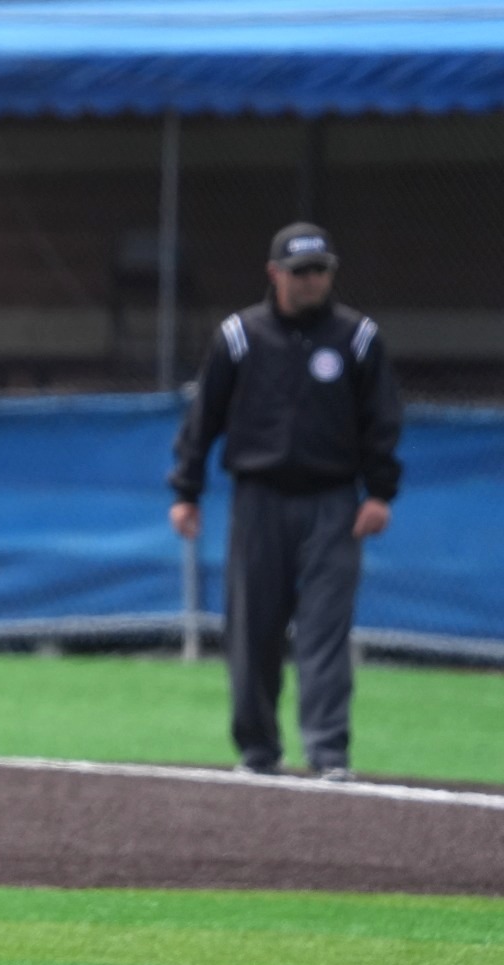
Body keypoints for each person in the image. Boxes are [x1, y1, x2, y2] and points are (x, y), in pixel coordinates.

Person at [168, 221, 403, 782]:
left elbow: (382, 422)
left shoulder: (358, 338)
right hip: (259, 500)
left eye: (320, 271)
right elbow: (205, 419)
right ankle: (257, 750)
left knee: (325, 630)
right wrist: (186, 490)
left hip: (333, 502)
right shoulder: (239, 336)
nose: (311, 281)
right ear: (275, 275)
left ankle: (327, 753)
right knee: (253, 628)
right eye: (300, 272)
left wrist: (380, 493)